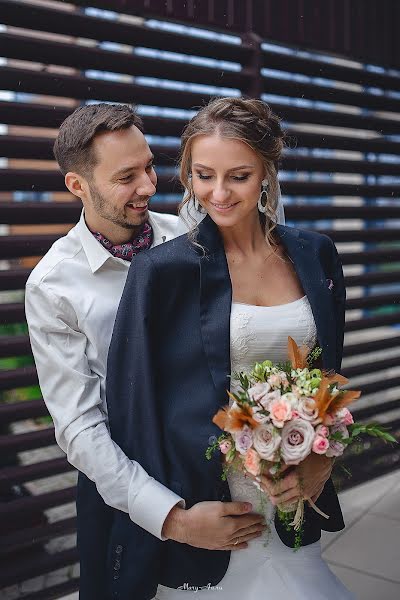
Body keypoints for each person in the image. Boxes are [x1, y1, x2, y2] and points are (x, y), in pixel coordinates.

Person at [25, 102, 285, 599]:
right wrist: (172, 519)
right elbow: (79, 426)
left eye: (148, 166)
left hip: (222, 471)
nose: (148, 185)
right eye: (127, 177)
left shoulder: (194, 236)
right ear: (78, 186)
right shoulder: (54, 286)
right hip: (125, 494)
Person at [104, 97, 353, 599]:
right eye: (203, 175)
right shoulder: (162, 272)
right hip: (210, 516)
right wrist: (173, 519)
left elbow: (330, 383)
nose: (217, 193)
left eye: (238, 176)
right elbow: (135, 415)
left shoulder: (316, 253)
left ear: (267, 171)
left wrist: (322, 459)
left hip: (293, 503)